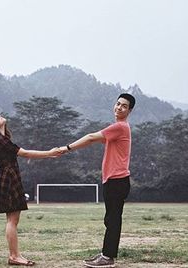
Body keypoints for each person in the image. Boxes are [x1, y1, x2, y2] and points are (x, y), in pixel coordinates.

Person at [59, 93, 135, 268]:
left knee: (113, 219)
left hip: (117, 180)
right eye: (118, 104)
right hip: (114, 180)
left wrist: (67, 148)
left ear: (129, 110)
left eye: (124, 106)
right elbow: (94, 140)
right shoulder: (118, 129)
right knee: (111, 219)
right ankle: (105, 254)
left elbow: (91, 137)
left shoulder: (121, 127)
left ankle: (108, 257)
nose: (119, 108)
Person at [0, 114, 61, 266]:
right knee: (12, 221)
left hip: (10, 178)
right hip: (10, 179)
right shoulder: (1, 141)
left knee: (13, 220)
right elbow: (25, 153)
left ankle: (15, 255)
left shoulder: (2, 139)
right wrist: (49, 153)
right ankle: (14, 256)